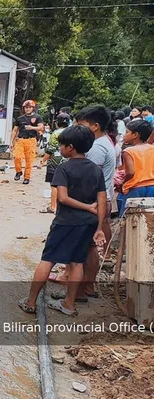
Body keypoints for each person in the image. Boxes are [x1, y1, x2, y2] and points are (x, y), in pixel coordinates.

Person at [19, 126, 106, 317]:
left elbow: (63, 198)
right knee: (77, 263)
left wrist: (85, 207)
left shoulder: (64, 167)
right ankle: (69, 304)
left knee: (47, 260)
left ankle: (30, 301)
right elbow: (101, 200)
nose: (59, 148)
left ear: (71, 147)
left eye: (61, 145)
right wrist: (99, 226)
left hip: (66, 222)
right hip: (88, 224)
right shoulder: (96, 170)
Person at [73, 105, 115, 299]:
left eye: (82, 125)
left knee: (87, 247)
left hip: (93, 202)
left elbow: (88, 179)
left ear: (95, 126)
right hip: (100, 199)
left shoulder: (97, 147)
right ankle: (86, 287)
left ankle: (81, 290)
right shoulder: (105, 142)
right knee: (90, 246)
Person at [117, 120, 154, 216]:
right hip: (152, 187)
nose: (124, 135)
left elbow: (130, 172)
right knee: (150, 218)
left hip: (135, 188)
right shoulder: (152, 149)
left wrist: (122, 182)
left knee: (129, 218)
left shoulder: (128, 151)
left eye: (127, 132)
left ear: (135, 135)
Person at [40, 114, 70, 213]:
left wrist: (42, 161)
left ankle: (53, 206)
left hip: (55, 161)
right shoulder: (71, 132)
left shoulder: (55, 133)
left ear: (57, 122)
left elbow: (50, 149)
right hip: (68, 160)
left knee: (54, 185)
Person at [11, 99, 44, 184]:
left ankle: (27, 177)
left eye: (29, 107)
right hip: (21, 139)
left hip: (31, 140)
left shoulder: (37, 117)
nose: (27, 109)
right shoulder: (19, 118)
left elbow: (41, 128)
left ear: (33, 108)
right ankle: (18, 171)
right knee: (16, 156)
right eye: (26, 107)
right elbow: (15, 130)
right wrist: (12, 141)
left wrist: (32, 128)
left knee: (29, 161)